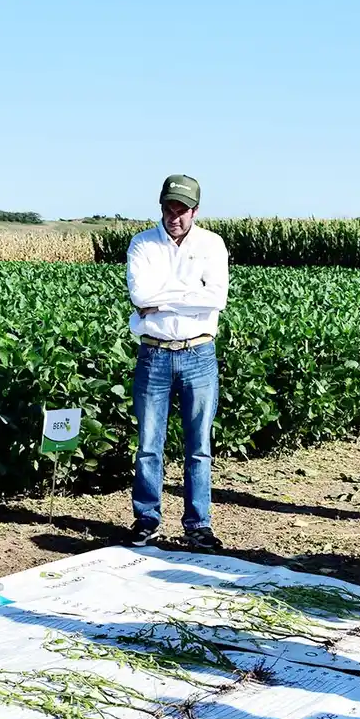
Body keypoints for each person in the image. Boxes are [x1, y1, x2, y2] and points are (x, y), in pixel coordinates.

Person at [125, 175, 229, 550]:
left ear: (195, 211)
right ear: (161, 208)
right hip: (153, 353)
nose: (174, 217)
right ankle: (147, 519)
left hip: (199, 353)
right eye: (169, 209)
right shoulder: (142, 244)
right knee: (149, 444)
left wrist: (161, 298)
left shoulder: (212, 245)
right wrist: (189, 293)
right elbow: (140, 294)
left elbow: (215, 299)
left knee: (198, 446)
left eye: (181, 210)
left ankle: (198, 525)